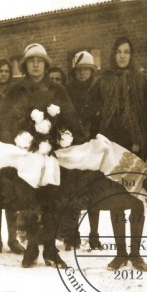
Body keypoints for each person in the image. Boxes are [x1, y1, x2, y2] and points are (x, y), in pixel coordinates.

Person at [0, 43, 84, 269]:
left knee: (52, 202)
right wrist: (18, 142)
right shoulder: (16, 90)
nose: (36, 64)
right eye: (31, 61)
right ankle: (32, 247)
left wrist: (64, 139)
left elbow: (70, 120)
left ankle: (51, 250)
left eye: (40, 60)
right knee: (28, 202)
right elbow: (3, 121)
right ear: (25, 65)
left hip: (52, 155)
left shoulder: (57, 90)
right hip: (25, 156)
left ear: (46, 64)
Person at [82, 37, 147, 272]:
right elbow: (90, 113)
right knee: (116, 202)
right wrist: (95, 138)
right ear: (112, 54)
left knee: (138, 201)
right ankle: (120, 254)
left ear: (131, 54)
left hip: (138, 148)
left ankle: (136, 254)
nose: (122, 56)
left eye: (126, 52)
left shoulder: (142, 80)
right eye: (118, 51)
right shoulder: (102, 81)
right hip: (113, 152)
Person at [0, 58, 25, 255]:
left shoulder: (15, 93)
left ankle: (12, 239)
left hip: (10, 148)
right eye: (0, 71)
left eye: (6, 71)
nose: (3, 74)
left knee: (11, 196)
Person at [64, 51, 99, 251]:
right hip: (74, 146)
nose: (82, 72)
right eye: (79, 69)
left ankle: (94, 233)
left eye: (86, 69)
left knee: (94, 190)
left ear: (92, 71)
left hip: (93, 145)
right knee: (74, 191)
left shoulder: (98, 90)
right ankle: (72, 233)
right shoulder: (68, 90)